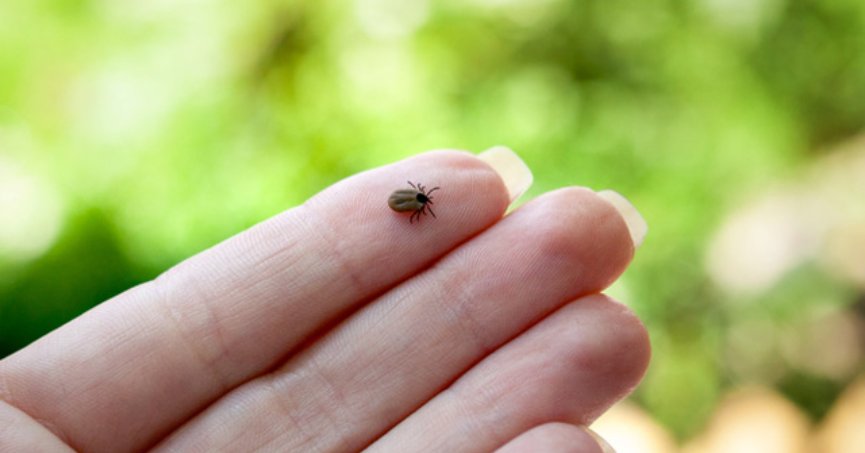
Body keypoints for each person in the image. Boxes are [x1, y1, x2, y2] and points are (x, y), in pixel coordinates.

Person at [0, 147, 649, 452]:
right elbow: (406, 202)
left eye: (418, 200)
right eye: (421, 199)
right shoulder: (413, 204)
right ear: (421, 200)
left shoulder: (413, 201)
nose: (418, 202)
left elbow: (406, 200)